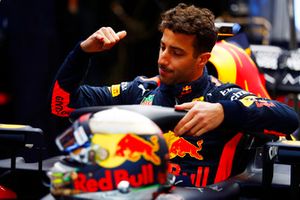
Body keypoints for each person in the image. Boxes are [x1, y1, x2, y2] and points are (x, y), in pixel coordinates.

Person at [50, 3, 299, 187]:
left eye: (176, 53)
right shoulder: (140, 90)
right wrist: (82, 53)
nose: (163, 59)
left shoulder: (223, 97)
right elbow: (63, 105)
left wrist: (225, 113)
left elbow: (289, 118)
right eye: (162, 47)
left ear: (202, 59)